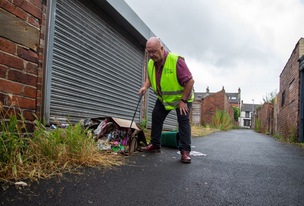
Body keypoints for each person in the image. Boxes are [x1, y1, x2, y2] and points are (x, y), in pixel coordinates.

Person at [138, 37, 195, 164]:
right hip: (165, 99)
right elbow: (150, 77)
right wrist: (145, 87)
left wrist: (183, 101)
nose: (152, 55)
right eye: (149, 52)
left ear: (162, 49)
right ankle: (155, 145)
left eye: (154, 51)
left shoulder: (176, 61)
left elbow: (190, 81)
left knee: (183, 122)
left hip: (182, 98)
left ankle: (185, 151)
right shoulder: (151, 63)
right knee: (156, 116)